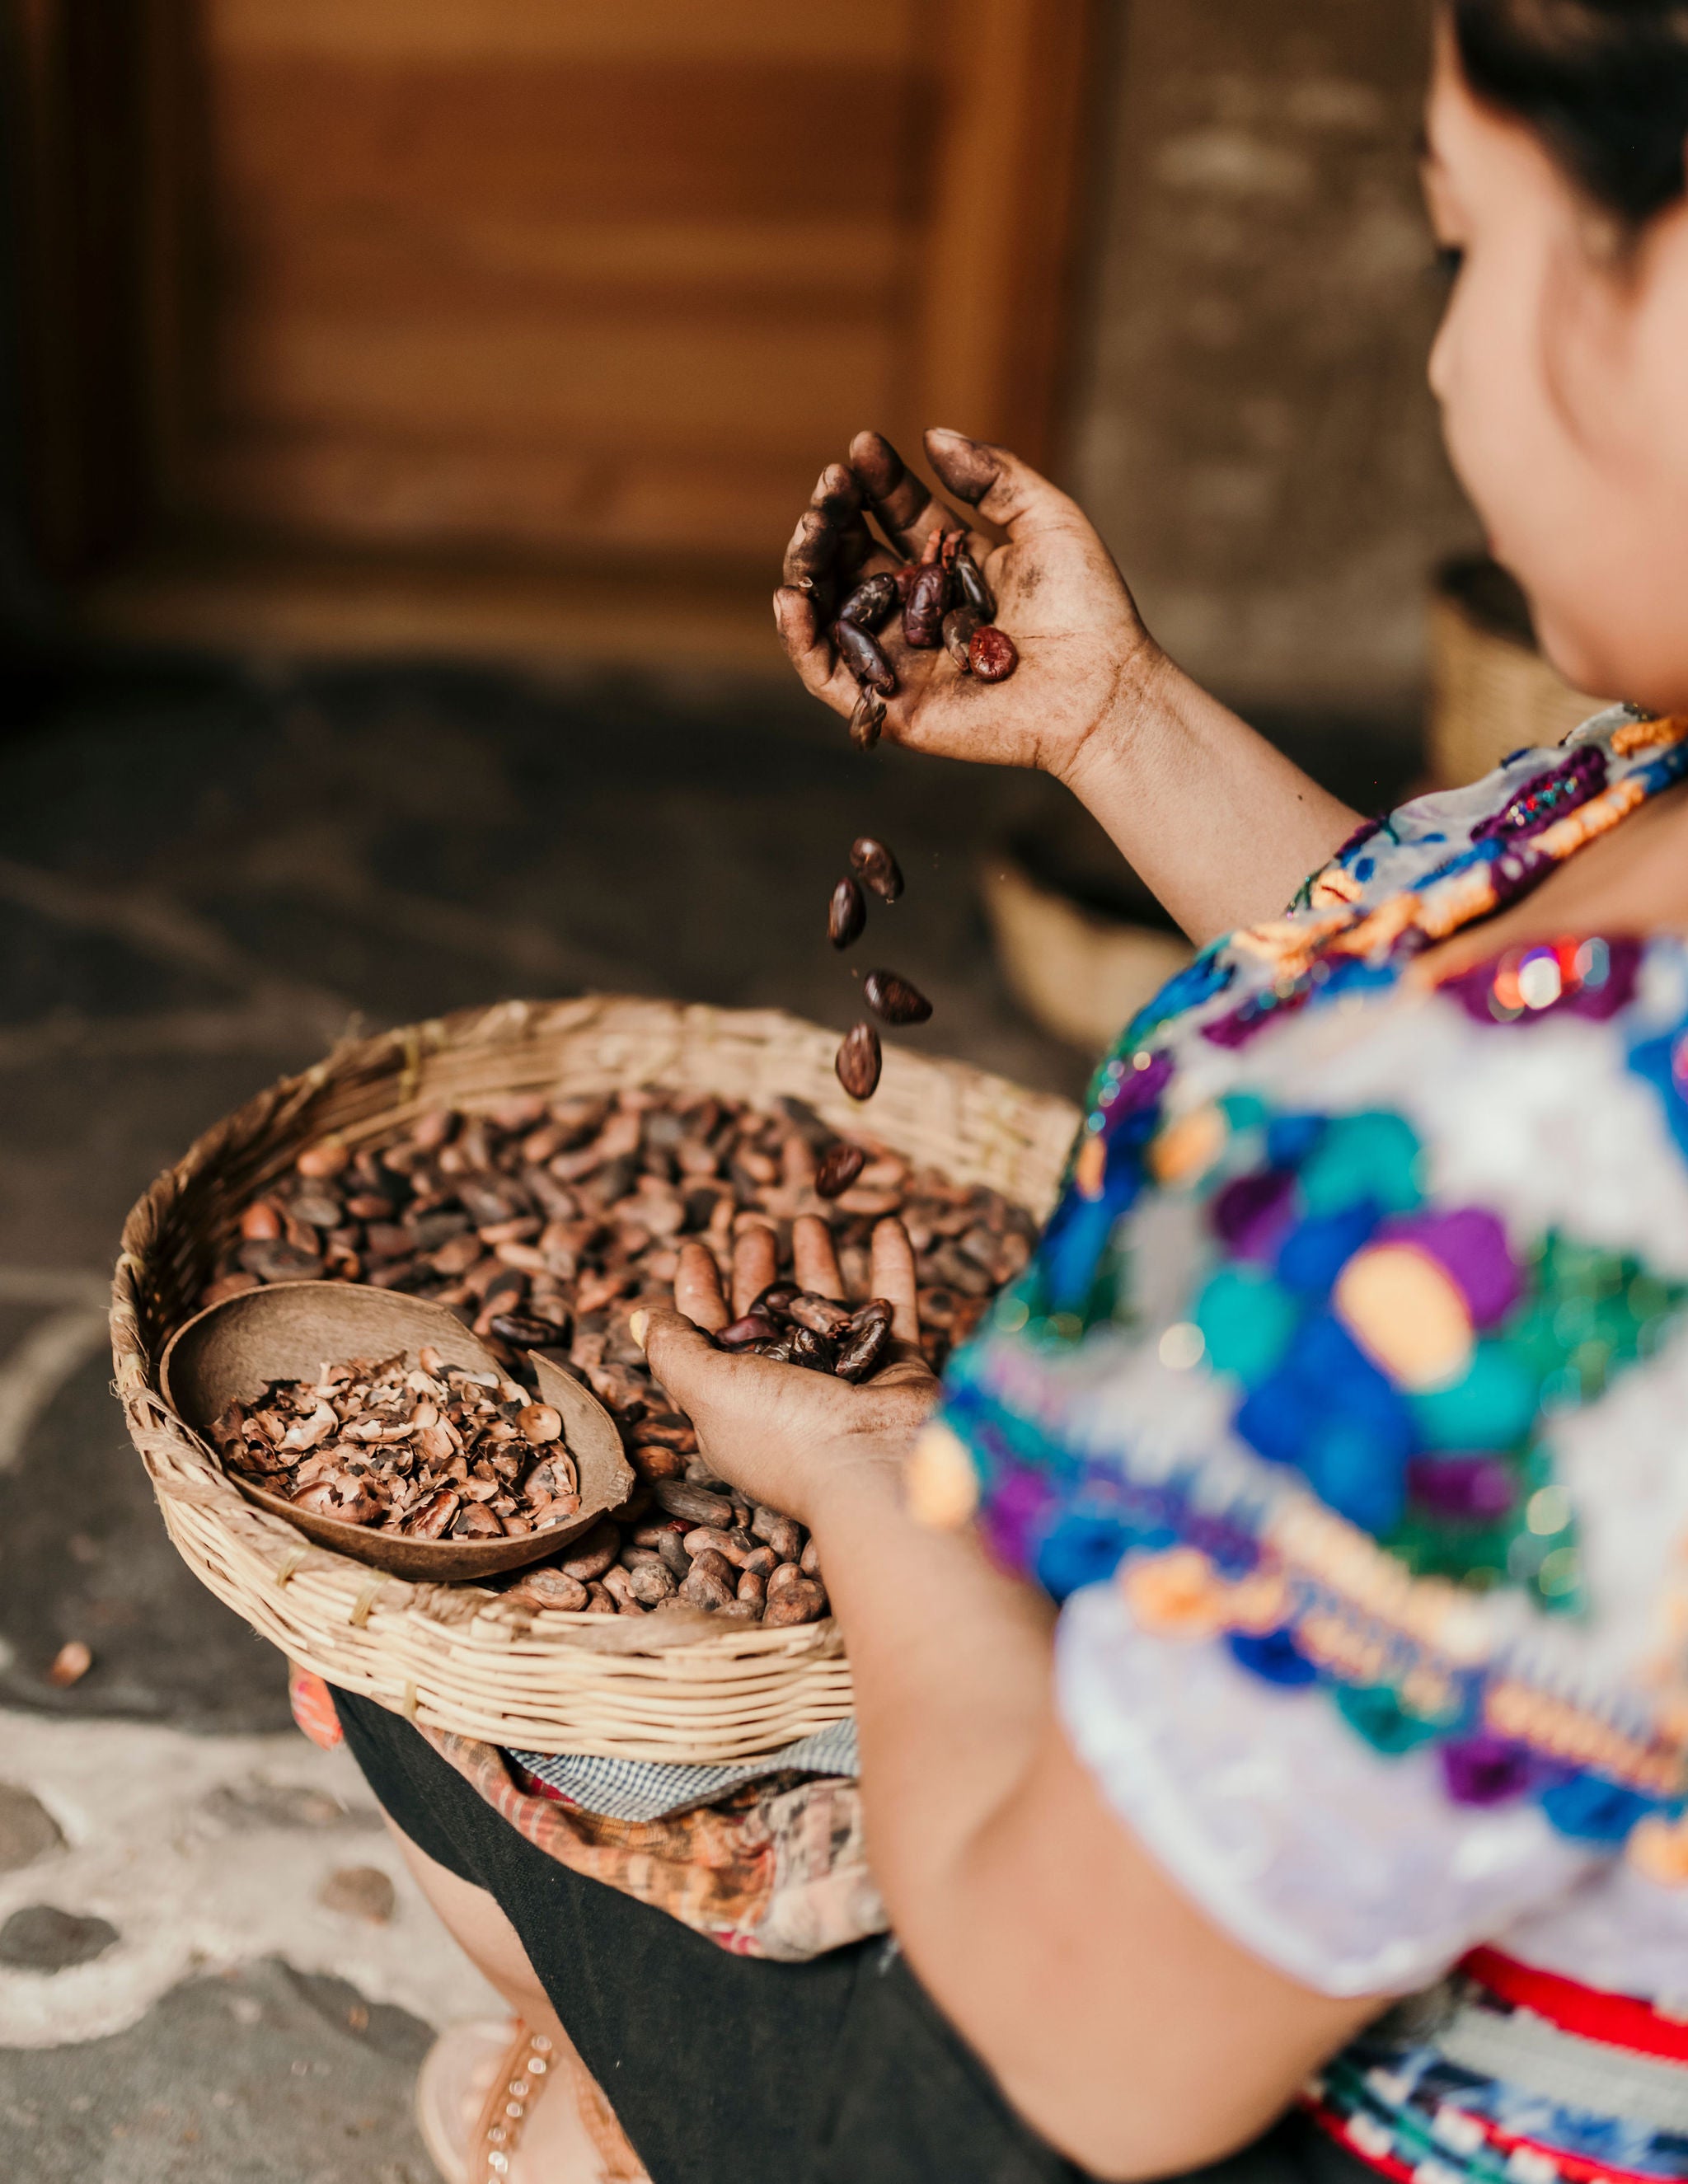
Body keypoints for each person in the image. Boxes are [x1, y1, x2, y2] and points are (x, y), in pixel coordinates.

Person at [331, 4, 1688, 2177]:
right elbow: (1443, 965)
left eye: (1466, 246)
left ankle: (602, 2105)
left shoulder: (1561, 1197)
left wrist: (879, 1482)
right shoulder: (1655, 821)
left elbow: (1077, 2053)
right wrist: (1114, 713)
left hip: (1306, 2101)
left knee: (424, 1677)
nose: (1443, 365)